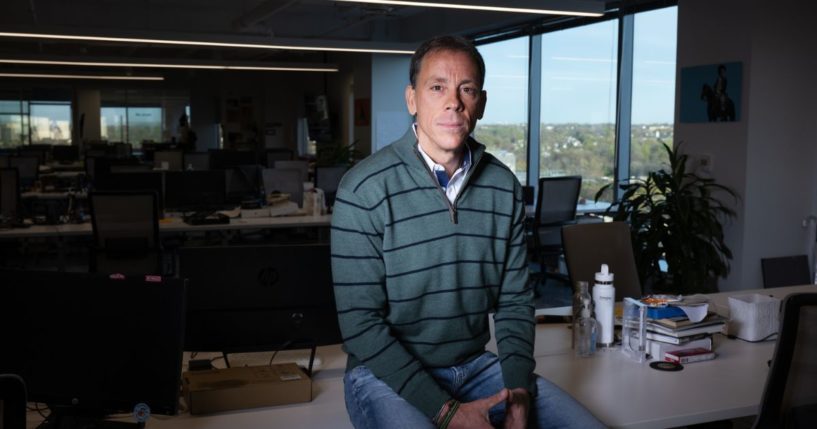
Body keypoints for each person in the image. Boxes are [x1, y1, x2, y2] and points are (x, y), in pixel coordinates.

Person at [330, 35, 605, 429]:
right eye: (437, 87)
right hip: (383, 376)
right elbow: (360, 326)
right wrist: (446, 412)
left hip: (475, 369)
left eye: (467, 89)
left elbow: (513, 302)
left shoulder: (502, 185)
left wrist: (519, 392)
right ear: (412, 99)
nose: (453, 102)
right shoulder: (363, 189)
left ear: (481, 103)